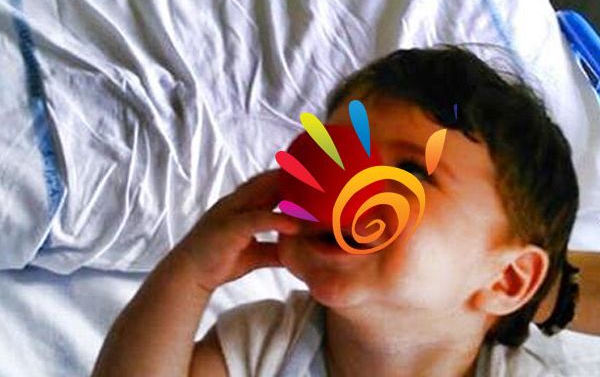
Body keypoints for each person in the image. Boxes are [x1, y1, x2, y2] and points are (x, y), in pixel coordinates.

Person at [92, 47, 599, 376]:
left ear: (507, 279)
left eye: (413, 170)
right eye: (334, 152)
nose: (346, 181)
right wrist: (188, 276)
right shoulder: (265, 345)